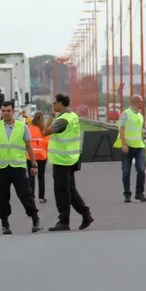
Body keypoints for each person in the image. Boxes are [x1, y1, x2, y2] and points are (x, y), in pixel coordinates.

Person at [42, 93, 93, 232]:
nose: (53, 106)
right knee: (70, 189)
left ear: (60, 104)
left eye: (54, 103)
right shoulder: (73, 116)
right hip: (71, 157)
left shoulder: (62, 120)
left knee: (62, 191)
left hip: (62, 159)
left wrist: (51, 116)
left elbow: (45, 131)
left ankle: (64, 221)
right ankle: (85, 214)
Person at [0, 101, 41, 234]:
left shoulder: (22, 126)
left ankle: (35, 219)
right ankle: (5, 223)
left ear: (13, 111)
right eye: (4, 110)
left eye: (8, 110)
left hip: (17, 166)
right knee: (2, 197)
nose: (6, 113)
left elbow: (28, 146)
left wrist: (34, 164)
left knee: (25, 194)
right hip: (1, 168)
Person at [116, 94, 146, 203]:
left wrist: (143, 144)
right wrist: (123, 144)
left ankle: (139, 193)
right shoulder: (125, 114)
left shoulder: (140, 116)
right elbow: (122, 129)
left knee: (142, 170)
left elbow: (140, 131)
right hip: (128, 147)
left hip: (139, 147)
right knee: (126, 171)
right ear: (135, 102)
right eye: (141, 102)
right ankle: (127, 194)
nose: (142, 104)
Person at [27, 110, 49, 203]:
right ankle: (41, 197)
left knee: (31, 176)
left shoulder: (29, 128)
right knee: (41, 176)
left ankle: (31, 196)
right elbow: (47, 142)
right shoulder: (44, 129)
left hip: (31, 156)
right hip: (42, 155)